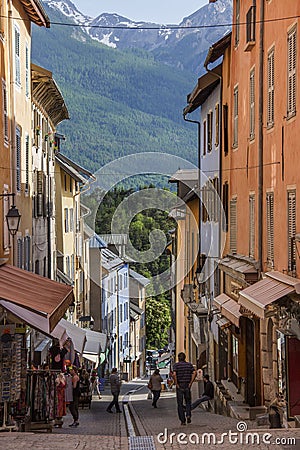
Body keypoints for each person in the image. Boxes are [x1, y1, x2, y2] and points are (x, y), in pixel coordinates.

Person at [173, 352, 196, 425]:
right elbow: (194, 373)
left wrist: (176, 384)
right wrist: (190, 383)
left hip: (180, 385)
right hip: (187, 385)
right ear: (185, 357)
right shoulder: (189, 365)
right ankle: (188, 415)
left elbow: (174, 374)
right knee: (188, 402)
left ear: (178, 358)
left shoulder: (176, 365)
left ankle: (182, 420)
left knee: (180, 403)